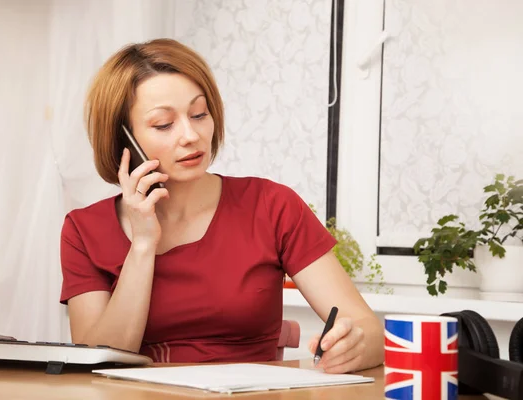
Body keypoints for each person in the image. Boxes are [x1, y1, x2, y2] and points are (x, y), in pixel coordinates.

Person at [59, 38, 384, 374]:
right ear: (122, 139)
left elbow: (369, 330)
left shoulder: (272, 206)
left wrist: (353, 344)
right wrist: (142, 245)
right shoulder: (84, 230)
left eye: (199, 114)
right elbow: (95, 363)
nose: (191, 135)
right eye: (164, 124)